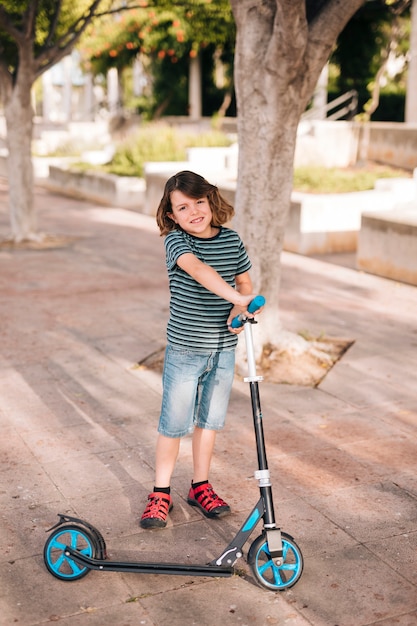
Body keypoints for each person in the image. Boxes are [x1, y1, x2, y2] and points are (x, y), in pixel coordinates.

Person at [140, 170, 261, 529]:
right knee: (174, 425)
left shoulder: (232, 240)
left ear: (210, 200)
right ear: (171, 216)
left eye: (198, 202)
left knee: (208, 423)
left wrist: (242, 307)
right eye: (182, 207)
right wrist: (237, 297)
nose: (193, 211)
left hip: (223, 350)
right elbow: (199, 270)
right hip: (185, 351)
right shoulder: (178, 243)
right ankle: (161, 492)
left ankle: (200, 486)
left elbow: (245, 279)